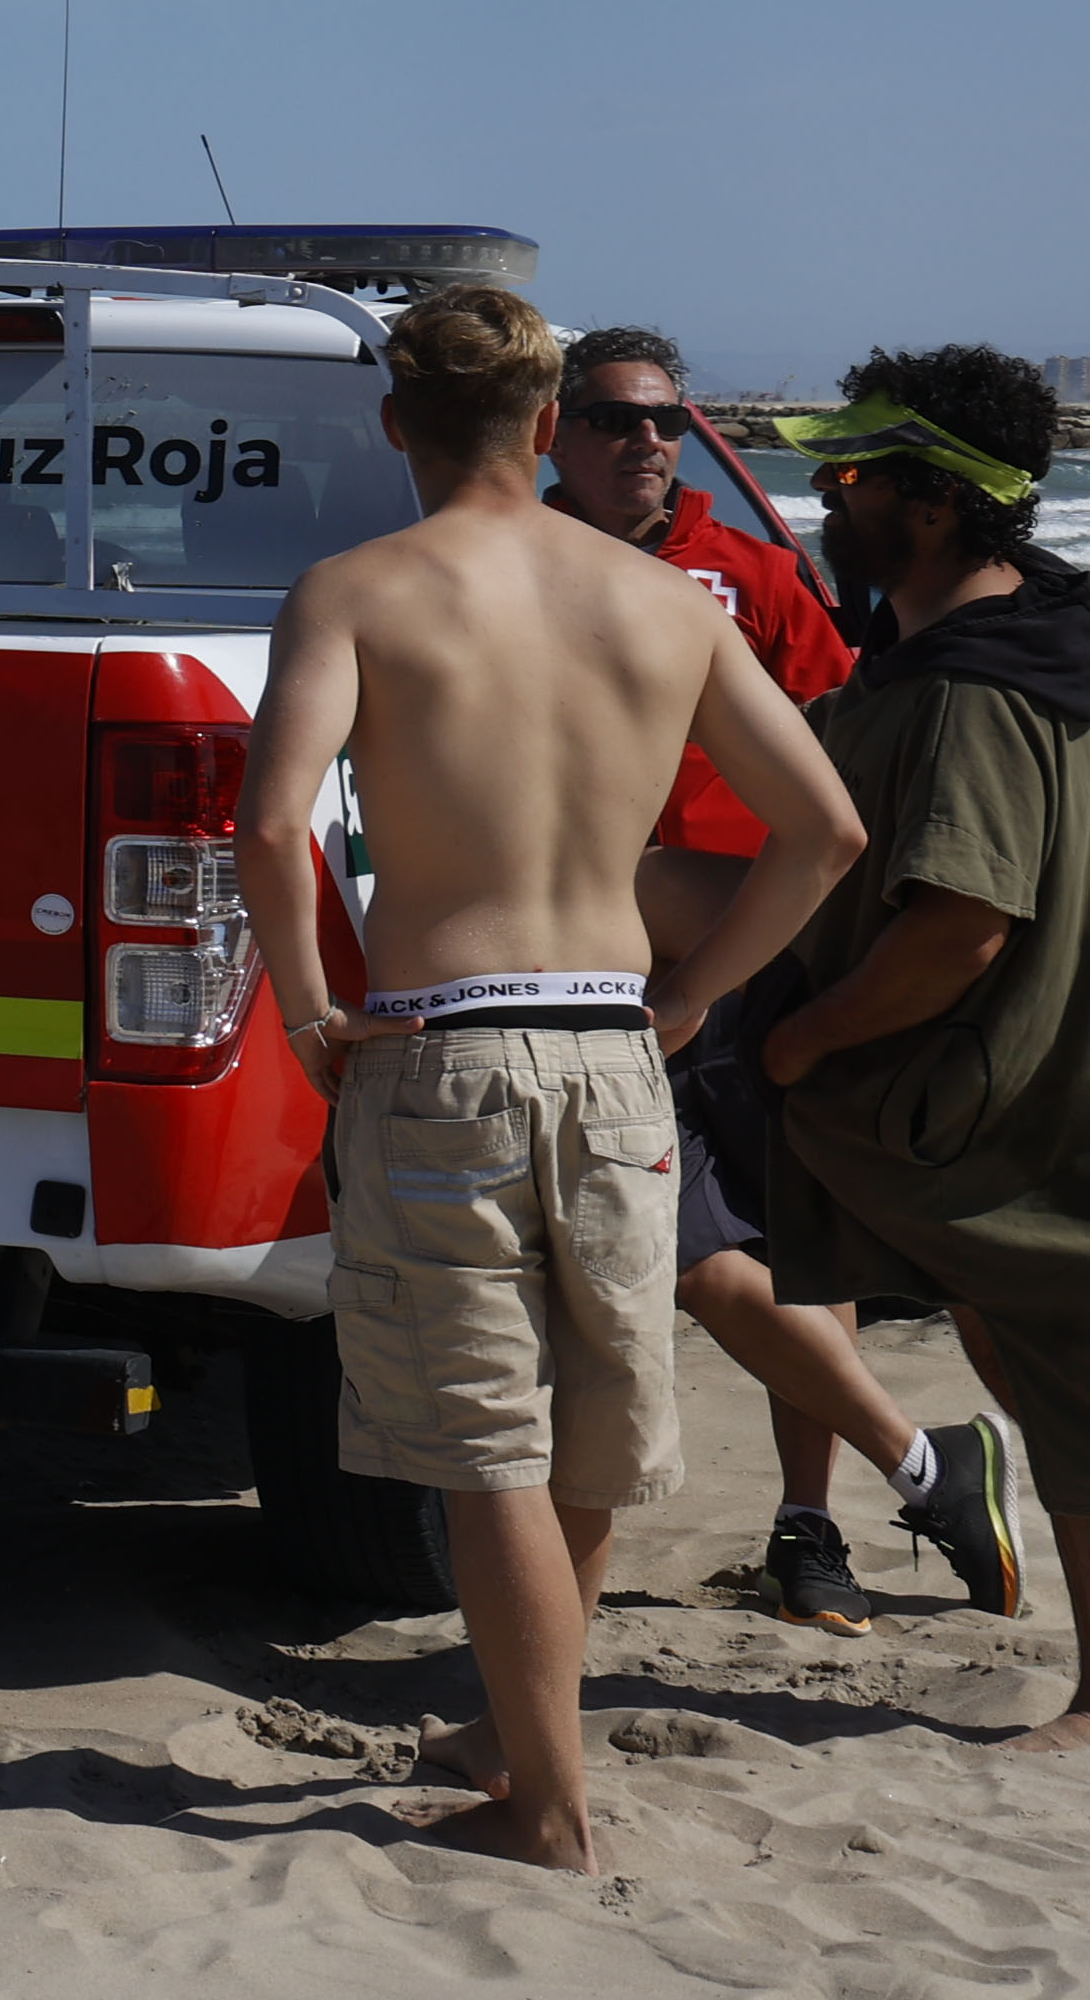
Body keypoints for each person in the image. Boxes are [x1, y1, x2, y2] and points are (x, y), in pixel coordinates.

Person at [238, 285, 864, 1874]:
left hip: (446, 1039)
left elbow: (267, 825)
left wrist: (314, 1011)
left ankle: (545, 1805)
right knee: (586, 1427)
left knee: (482, 1445)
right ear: (542, 427)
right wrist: (694, 993)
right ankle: (523, 1739)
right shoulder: (668, 605)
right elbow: (825, 832)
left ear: (393, 425)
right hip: (608, 1042)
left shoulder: (356, 589)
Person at [548, 325, 993, 1632]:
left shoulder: (738, 570)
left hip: (752, 961)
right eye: (618, 419)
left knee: (795, 1244)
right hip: (585, 973)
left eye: (667, 423)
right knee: (687, 1261)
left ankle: (808, 1530)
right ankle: (921, 1462)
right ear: (552, 431)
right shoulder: (514, 567)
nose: (646, 442)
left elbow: (844, 745)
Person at [749, 346, 1088, 1745]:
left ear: (934, 506)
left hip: (1005, 1118)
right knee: (1039, 1377)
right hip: (1019, 1107)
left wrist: (794, 1043)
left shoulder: (973, 689)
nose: (822, 497)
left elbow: (961, 926)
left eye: (846, 475)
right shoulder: (1036, 638)